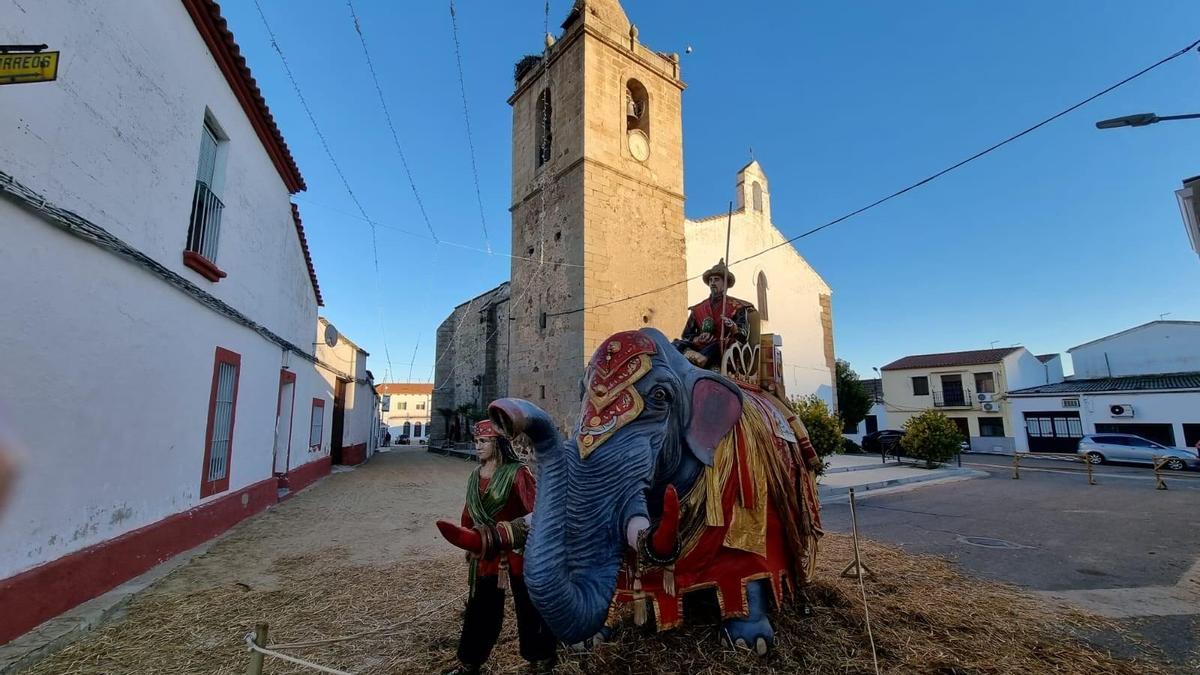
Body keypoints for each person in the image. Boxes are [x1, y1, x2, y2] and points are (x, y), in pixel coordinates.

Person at [437, 420, 556, 674]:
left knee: (529, 607)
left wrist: (512, 532)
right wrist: (470, 539)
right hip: (487, 553)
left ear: (499, 443)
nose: (477, 446)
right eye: (476, 441)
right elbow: (469, 511)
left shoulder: (518, 473)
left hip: (518, 552)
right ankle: (470, 662)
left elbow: (537, 510)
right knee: (480, 608)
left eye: (483, 441)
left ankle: (541, 659)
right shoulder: (474, 476)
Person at [673, 258, 754, 370]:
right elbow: (686, 335)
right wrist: (697, 339)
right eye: (711, 280)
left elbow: (743, 334)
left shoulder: (737, 307)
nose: (712, 283)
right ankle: (692, 357)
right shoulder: (698, 309)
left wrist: (734, 327)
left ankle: (701, 359)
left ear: (725, 284)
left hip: (721, 351)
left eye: (716, 280)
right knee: (676, 344)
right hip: (698, 347)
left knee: (719, 343)